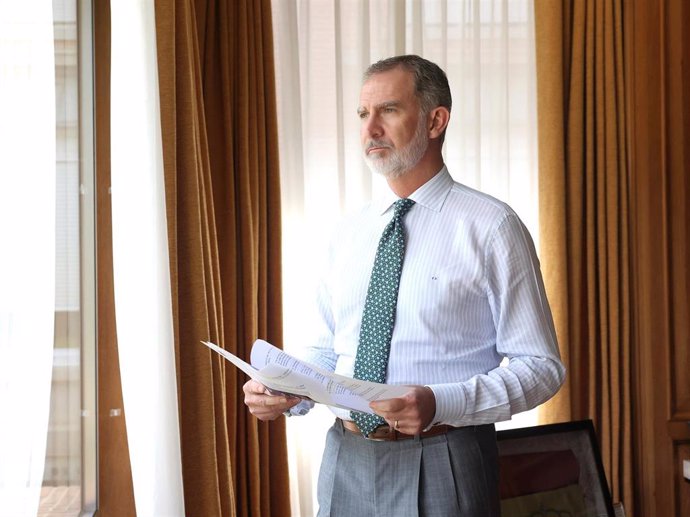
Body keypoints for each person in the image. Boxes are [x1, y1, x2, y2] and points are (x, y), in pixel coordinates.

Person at [243, 55, 565, 517]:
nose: (370, 129)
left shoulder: (493, 227)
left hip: (446, 458)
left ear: (436, 120)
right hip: (344, 459)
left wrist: (441, 402)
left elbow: (542, 368)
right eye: (362, 114)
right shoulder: (346, 233)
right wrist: (283, 390)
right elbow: (326, 352)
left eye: (388, 110)